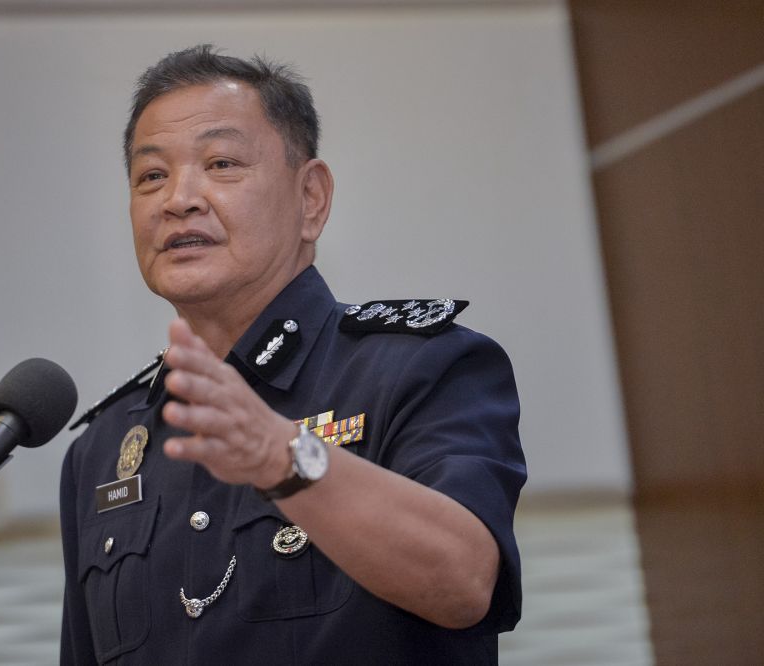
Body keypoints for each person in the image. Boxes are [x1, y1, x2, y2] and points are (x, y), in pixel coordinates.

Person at [60, 44, 526, 665]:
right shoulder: (103, 448)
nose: (178, 198)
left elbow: (466, 582)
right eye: (151, 176)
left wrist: (283, 459)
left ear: (311, 198)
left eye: (221, 163)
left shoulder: (423, 368)